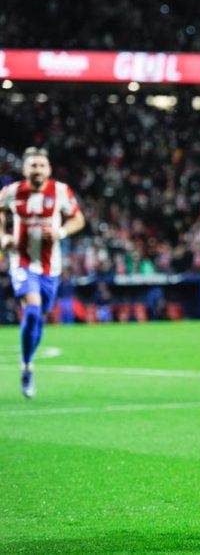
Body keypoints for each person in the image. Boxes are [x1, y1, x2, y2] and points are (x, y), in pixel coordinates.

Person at [0, 147, 86, 398]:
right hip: (22, 262)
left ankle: (28, 360)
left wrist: (60, 232)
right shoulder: (11, 192)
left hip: (51, 267)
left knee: (40, 317)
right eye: (33, 165)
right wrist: (3, 237)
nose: (37, 169)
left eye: (41, 165)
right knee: (33, 309)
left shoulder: (61, 191)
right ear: (25, 169)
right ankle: (27, 365)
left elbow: (78, 219)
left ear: (48, 169)